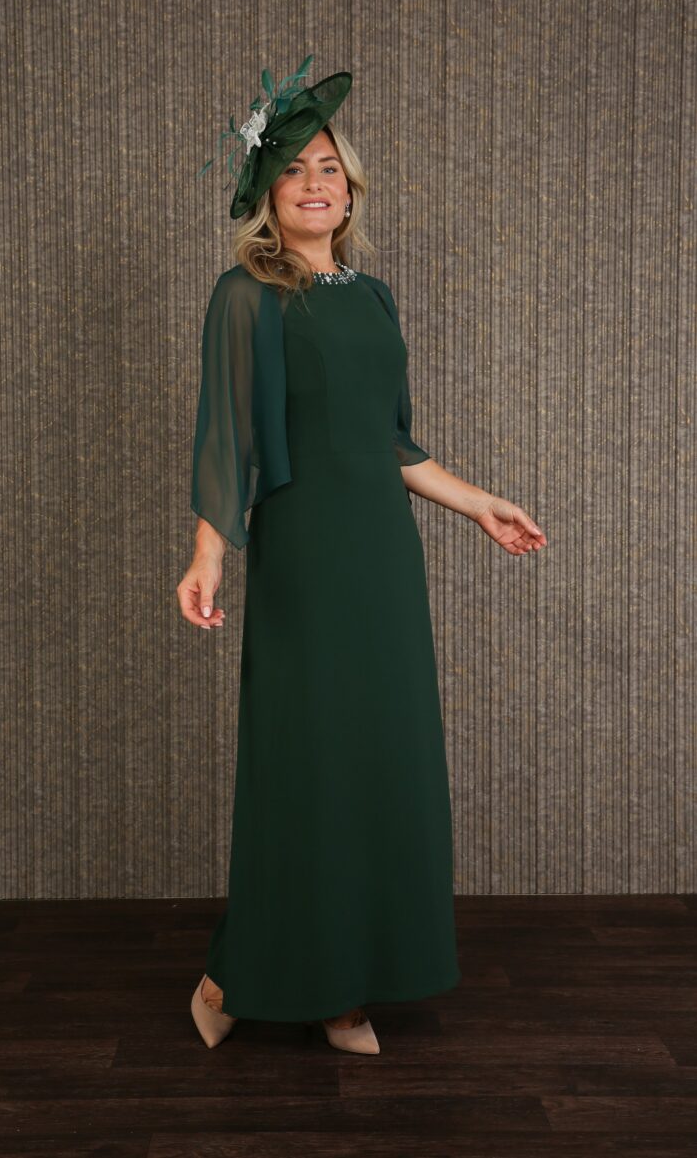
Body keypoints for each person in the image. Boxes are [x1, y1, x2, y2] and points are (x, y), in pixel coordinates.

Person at [177, 56, 547, 1054]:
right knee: (309, 767)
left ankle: (346, 986)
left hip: (383, 560)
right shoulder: (245, 295)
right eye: (294, 168)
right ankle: (234, 976)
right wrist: (207, 556)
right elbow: (229, 439)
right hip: (303, 558)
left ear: (350, 189)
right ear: (267, 193)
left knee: (379, 762)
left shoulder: (374, 297)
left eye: (329, 167)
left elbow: (388, 443)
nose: (314, 182)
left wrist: (479, 504)